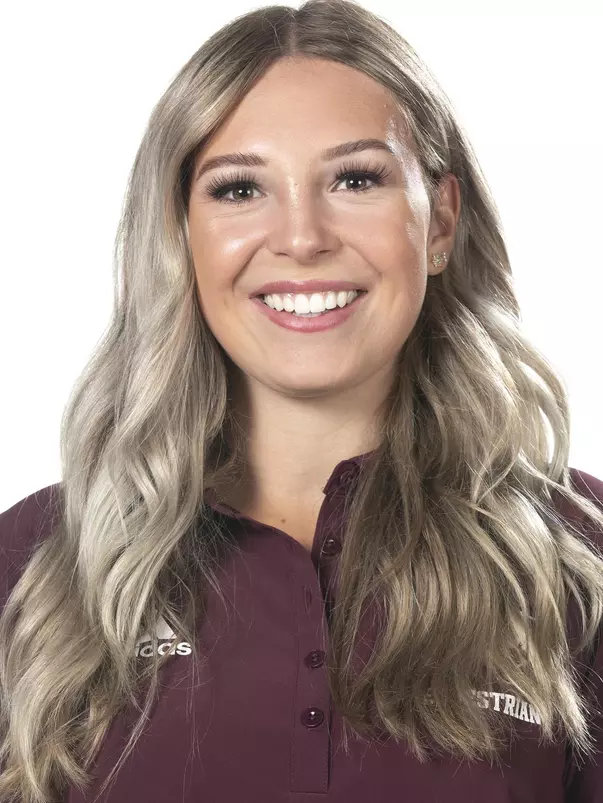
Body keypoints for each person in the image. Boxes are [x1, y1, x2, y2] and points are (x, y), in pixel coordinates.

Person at [1, 1, 603, 801]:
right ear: (181, 234)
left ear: (440, 221)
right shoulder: (34, 568)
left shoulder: (578, 562)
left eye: (356, 178)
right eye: (239, 187)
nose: (301, 236)